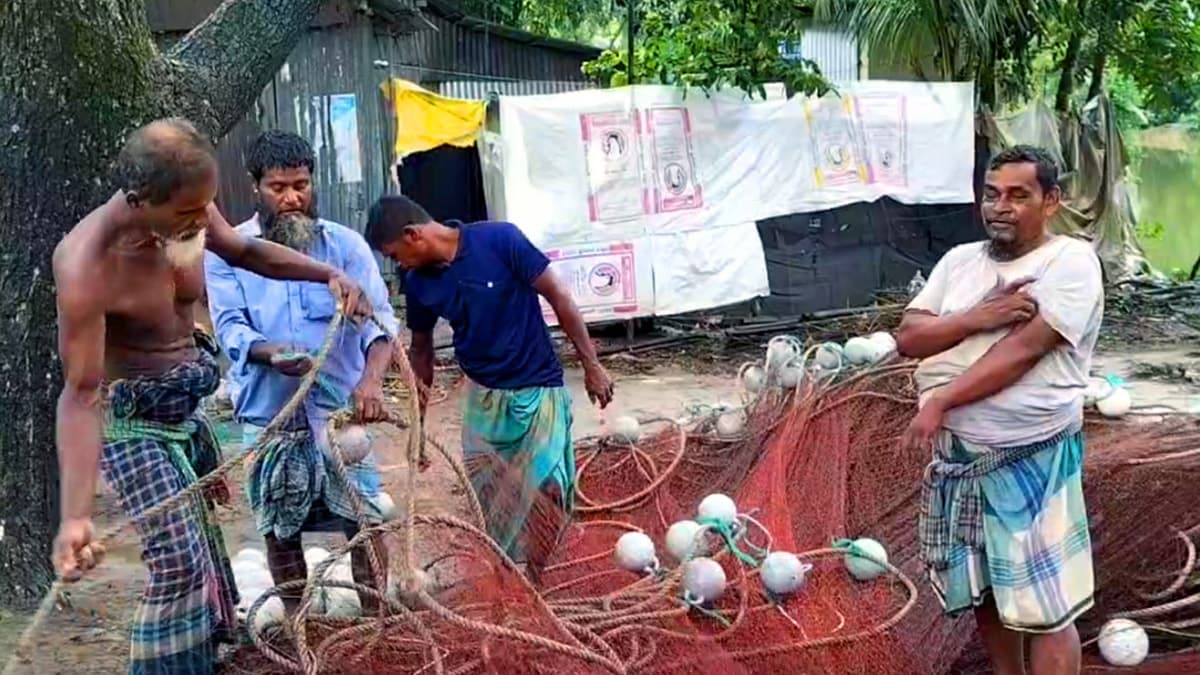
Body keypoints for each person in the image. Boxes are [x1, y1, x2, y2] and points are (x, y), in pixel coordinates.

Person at [52, 118, 371, 675]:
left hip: (186, 418)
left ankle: (202, 659)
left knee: (203, 562)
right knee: (177, 563)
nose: (203, 223)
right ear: (138, 200)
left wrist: (327, 275)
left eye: (208, 207)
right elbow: (79, 396)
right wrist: (75, 515)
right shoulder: (87, 265)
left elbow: (246, 251)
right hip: (136, 429)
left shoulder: (189, 207)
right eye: (188, 215)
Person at [897, 145, 1103, 675]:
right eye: (991, 195)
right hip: (964, 461)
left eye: (1018, 195)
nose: (1000, 207)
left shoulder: (1070, 262)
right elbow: (911, 338)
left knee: (1048, 607)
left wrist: (941, 398)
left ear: (1051, 200)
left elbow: (1022, 351)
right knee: (988, 595)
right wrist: (979, 315)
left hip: (1033, 458)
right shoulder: (959, 262)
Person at [363, 195, 614, 581]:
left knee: (546, 489)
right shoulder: (418, 284)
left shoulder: (500, 240)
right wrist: (419, 425)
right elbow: (422, 351)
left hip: (537, 388)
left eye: (395, 255)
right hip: (483, 398)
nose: (398, 266)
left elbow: (558, 296)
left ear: (412, 235)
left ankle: (539, 578)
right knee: (491, 500)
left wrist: (591, 365)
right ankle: (506, 581)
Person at [205, 130, 396, 614]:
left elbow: (383, 325)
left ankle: (378, 624)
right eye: (278, 187)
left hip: (339, 420)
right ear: (256, 187)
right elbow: (230, 330)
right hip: (270, 420)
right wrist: (271, 354)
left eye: (301, 185)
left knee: (365, 522)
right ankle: (296, 628)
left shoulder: (347, 247)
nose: (292, 198)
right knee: (278, 530)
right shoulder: (228, 253)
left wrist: (371, 381)